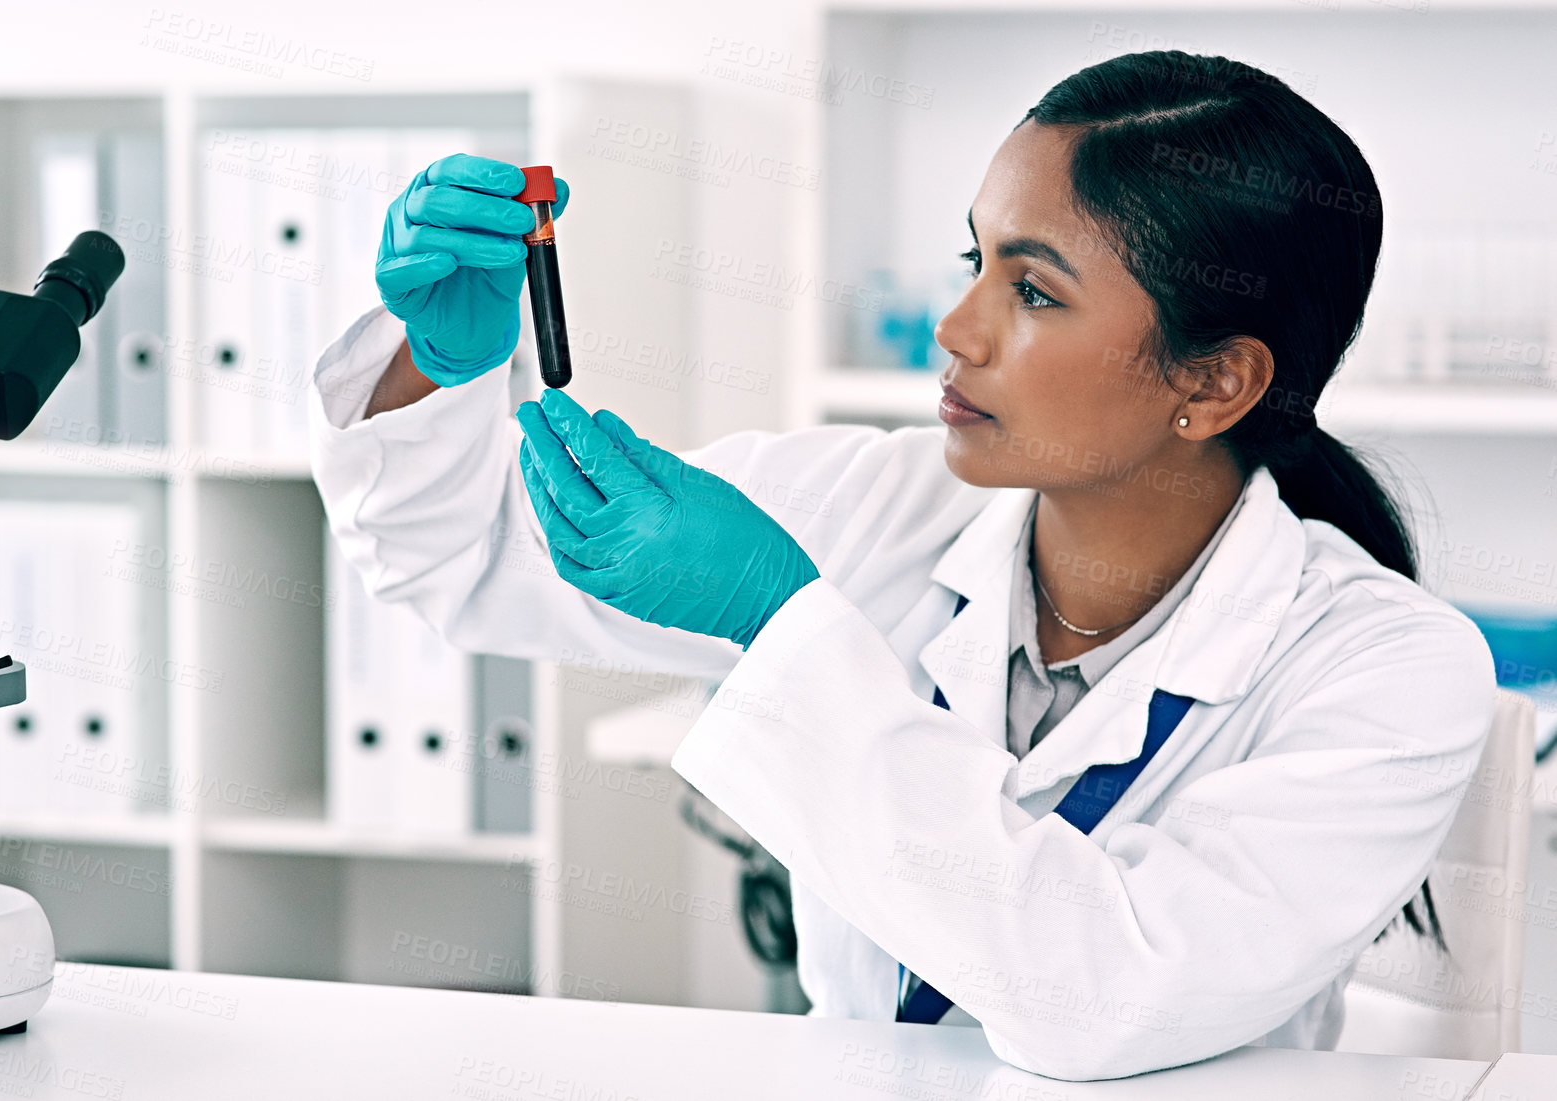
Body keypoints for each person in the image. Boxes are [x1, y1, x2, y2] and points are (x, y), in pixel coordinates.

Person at [307, 50, 1497, 1081]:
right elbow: (454, 561)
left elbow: (1102, 999)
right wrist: (434, 366)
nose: (957, 329)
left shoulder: (1386, 669)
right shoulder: (872, 503)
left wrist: (778, 621)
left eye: (1032, 289)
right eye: (972, 261)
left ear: (1213, 380)